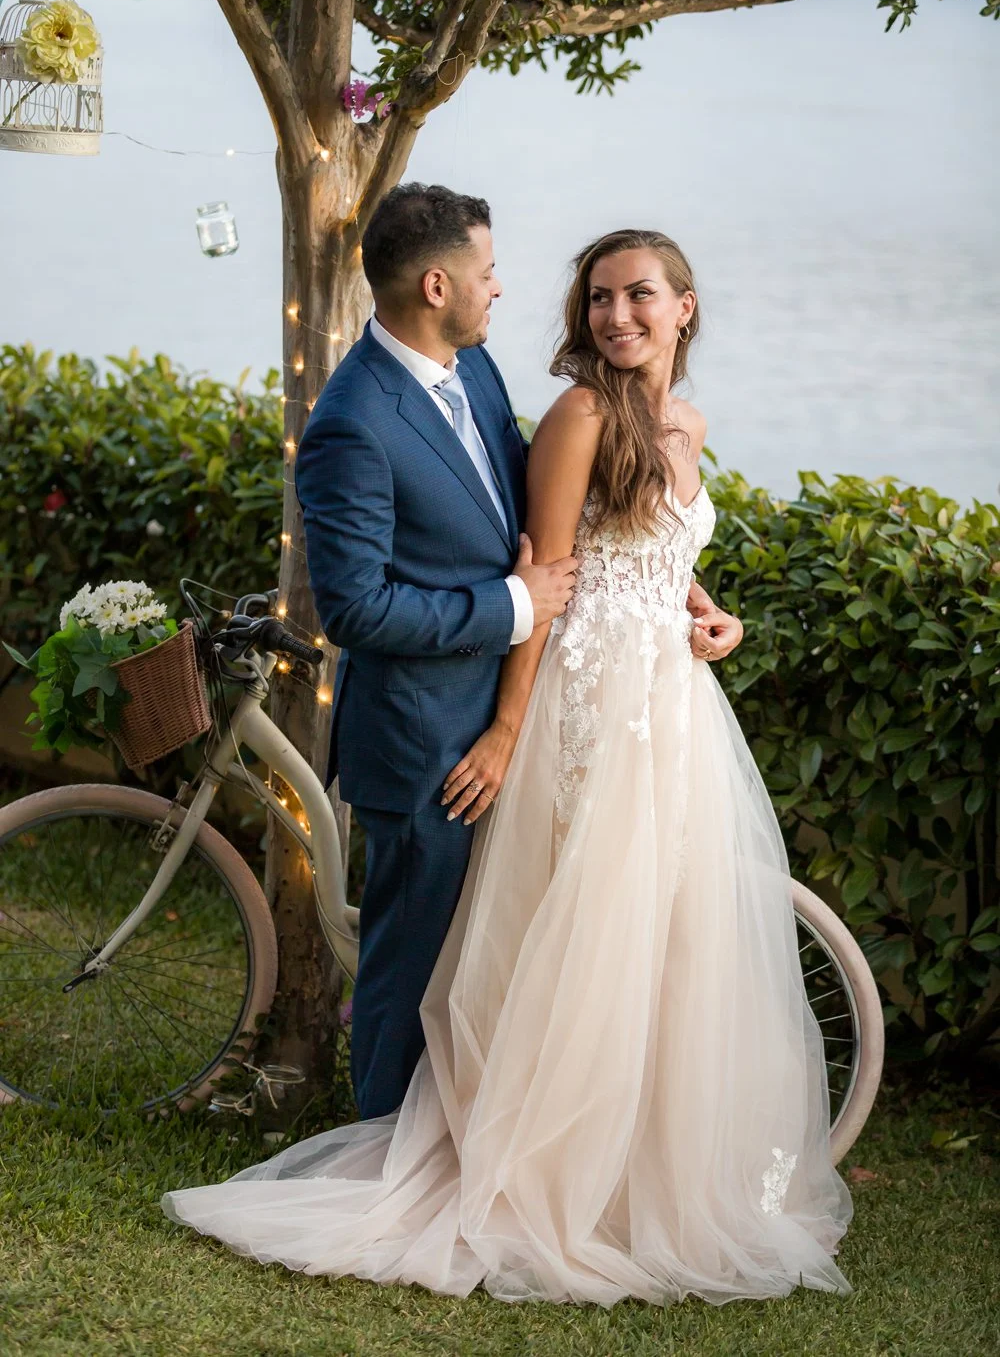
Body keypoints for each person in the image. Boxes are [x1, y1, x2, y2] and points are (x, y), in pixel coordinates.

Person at [162, 225, 852, 1307]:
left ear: (684, 307)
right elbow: (544, 572)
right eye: (597, 300)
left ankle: (642, 1167)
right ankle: (503, 1156)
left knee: (661, 937)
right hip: (586, 702)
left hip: (668, 703)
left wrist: (708, 611)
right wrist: (508, 728)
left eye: (636, 298)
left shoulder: (684, 420)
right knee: (571, 931)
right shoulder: (578, 414)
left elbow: (654, 551)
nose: (613, 317)